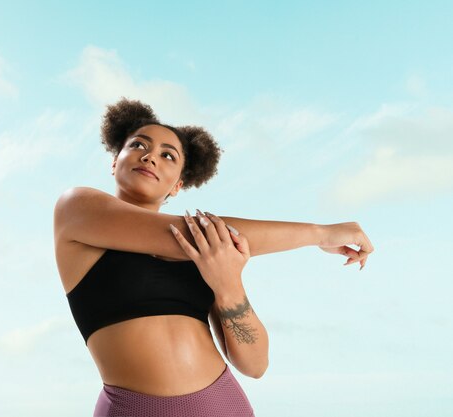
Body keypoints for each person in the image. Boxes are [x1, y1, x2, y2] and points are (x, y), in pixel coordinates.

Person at [53, 98, 374, 417]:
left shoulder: (206, 256)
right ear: (114, 161)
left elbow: (255, 364)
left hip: (225, 404)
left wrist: (228, 285)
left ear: (177, 185)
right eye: (138, 145)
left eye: (168, 155)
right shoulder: (77, 208)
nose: (150, 157)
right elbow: (194, 235)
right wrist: (321, 233)